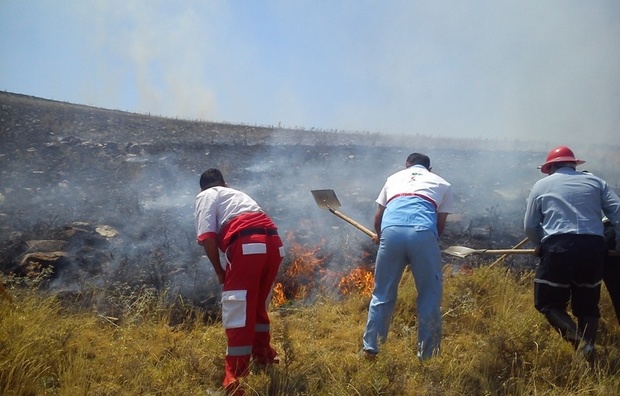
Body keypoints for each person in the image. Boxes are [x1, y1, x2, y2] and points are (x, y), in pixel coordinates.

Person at [523, 146, 620, 360]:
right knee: (587, 305)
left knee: (548, 303)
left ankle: (580, 343)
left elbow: (530, 226)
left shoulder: (541, 185)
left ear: (550, 167)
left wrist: (539, 244)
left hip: (560, 247)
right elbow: (618, 212)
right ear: (573, 164)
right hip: (595, 247)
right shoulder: (596, 182)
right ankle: (589, 352)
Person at [194, 168, 284, 395]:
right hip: (274, 244)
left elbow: (207, 237)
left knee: (237, 310)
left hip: (247, 245)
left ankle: (235, 382)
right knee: (256, 306)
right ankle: (264, 357)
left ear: (203, 187)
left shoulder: (206, 195)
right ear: (225, 182)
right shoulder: (237, 195)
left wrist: (219, 270)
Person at [362, 153, 455, 360]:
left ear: (407, 165)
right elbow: (440, 226)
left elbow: (378, 217)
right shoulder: (443, 183)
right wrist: (426, 242)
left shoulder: (393, 178)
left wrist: (380, 235)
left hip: (391, 231)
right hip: (423, 232)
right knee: (429, 295)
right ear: (430, 169)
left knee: (382, 293)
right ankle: (427, 356)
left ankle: (371, 346)